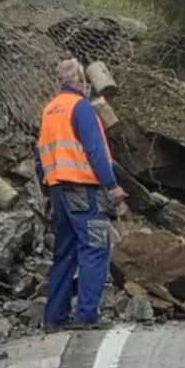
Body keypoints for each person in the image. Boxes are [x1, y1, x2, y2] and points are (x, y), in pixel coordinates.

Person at [35, 58, 126, 332]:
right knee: (96, 248)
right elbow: (95, 151)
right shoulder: (81, 108)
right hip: (84, 191)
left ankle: (54, 316)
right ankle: (86, 314)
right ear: (80, 82)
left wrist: (49, 194)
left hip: (59, 191)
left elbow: (40, 158)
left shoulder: (50, 110)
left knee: (64, 252)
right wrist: (112, 186)